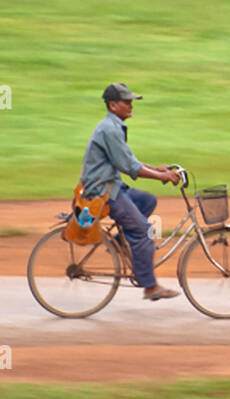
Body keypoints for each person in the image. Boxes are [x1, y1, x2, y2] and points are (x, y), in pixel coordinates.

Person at [80, 83, 184, 301]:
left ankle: (119, 242)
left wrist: (157, 168)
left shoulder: (113, 126)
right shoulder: (109, 128)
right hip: (104, 191)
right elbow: (130, 167)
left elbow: (127, 159)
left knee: (147, 201)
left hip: (112, 185)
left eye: (131, 102)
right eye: (126, 102)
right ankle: (150, 286)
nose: (131, 106)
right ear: (113, 105)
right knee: (144, 232)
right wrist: (162, 177)